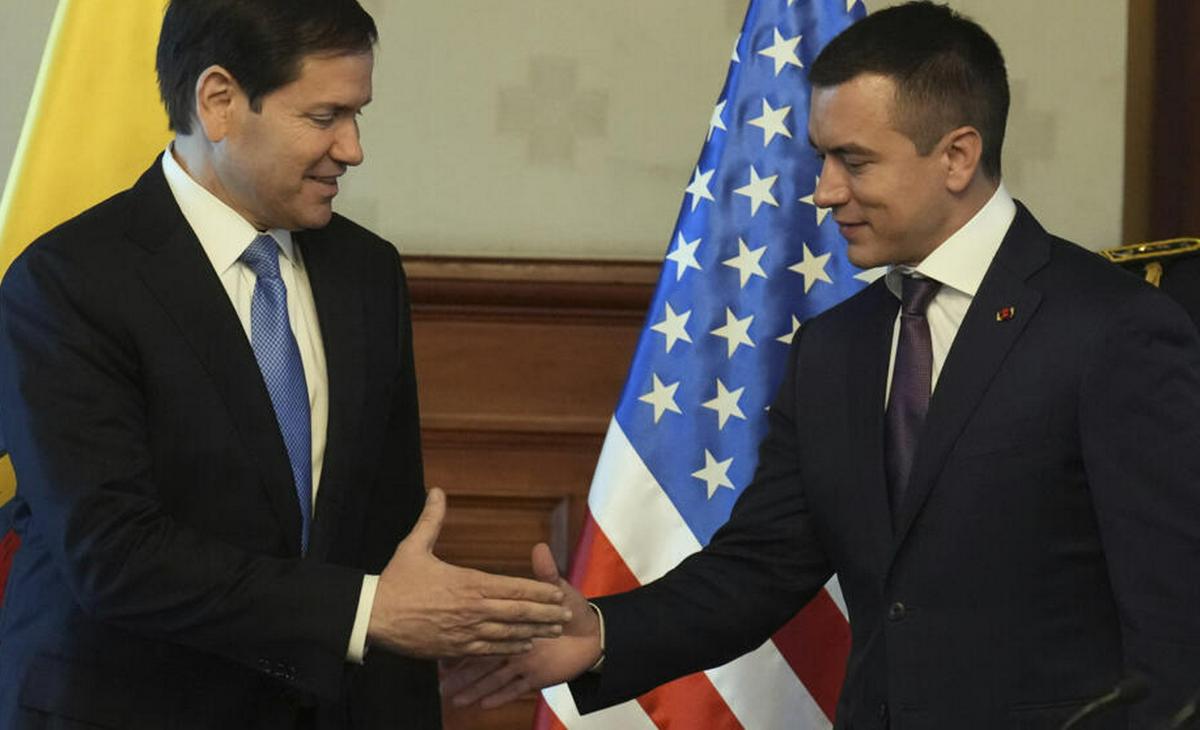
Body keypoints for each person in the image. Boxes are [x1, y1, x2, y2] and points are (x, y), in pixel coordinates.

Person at [444, 3, 1200, 727]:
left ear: (957, 156)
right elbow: (762, 566)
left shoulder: (1113, 328)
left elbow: (1175, 618)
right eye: (823, 158)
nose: (824, 191)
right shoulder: (834, 348)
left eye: (854, 161)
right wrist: (603, 632)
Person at [0, 1, 570, 728]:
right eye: (325, 116)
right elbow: (111, 555)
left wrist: (445, 630)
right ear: (219, 102)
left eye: (357, 115)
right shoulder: (67, 283)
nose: (353, 148)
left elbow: (387, 548)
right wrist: (364, 613)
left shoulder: (367, 272)